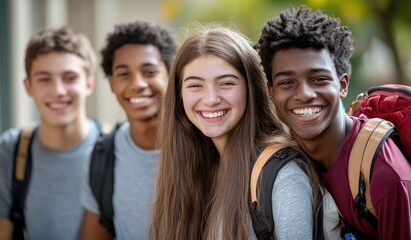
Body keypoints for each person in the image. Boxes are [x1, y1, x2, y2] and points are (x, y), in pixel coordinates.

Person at [150, 26, 333, 240]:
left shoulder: (282, 176)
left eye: (226, 83)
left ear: (252, 88)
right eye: (195, 85)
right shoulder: (199, 165)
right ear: (179, 95)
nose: (210, 99)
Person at [255, 5, 411, 239]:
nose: (304, 94)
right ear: (271, 92)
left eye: (318, 79)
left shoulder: (385, 175)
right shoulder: (286, 158)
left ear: (343, 85)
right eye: (287, 83)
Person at [0, 26, 99, 239]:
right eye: (44, 79)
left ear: (89, 84)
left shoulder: (112, 148)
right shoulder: (10, 152)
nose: (58, 91)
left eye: (70, 77)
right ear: (28, 87)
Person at [80, 20, 178, 240]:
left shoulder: (206, 147)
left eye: (149, 71)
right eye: (124, 74)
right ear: (111, 83)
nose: (137, 84)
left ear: (171, 76)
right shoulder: (100, 157)